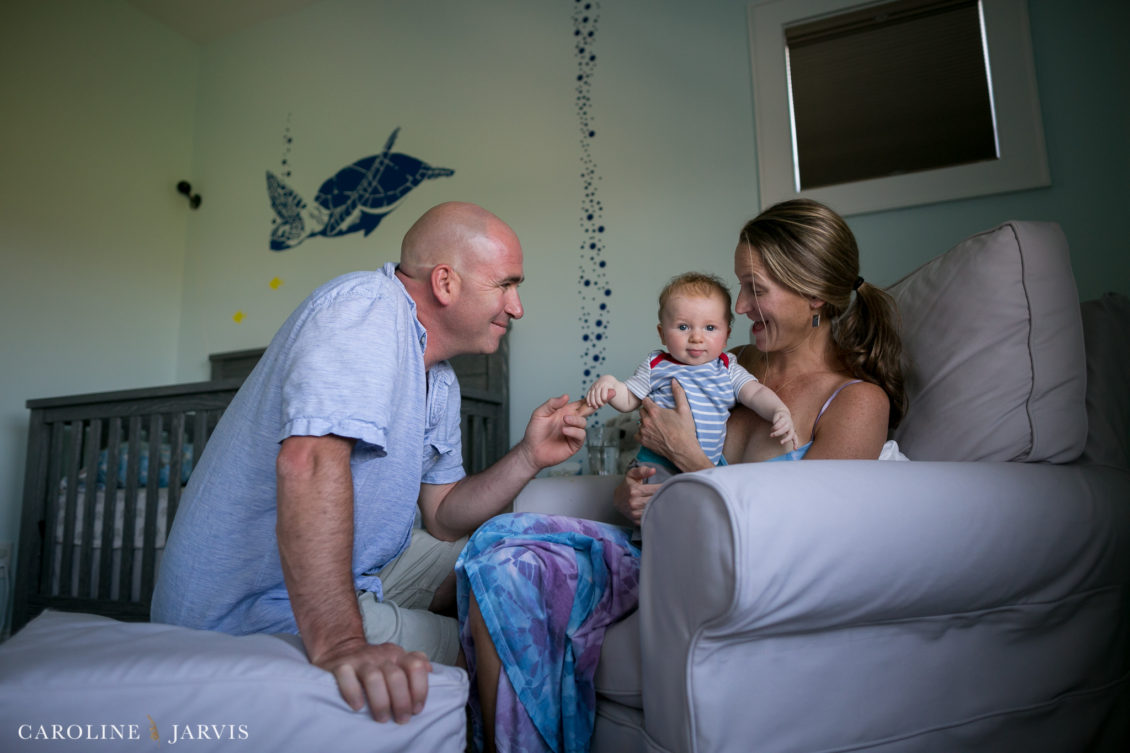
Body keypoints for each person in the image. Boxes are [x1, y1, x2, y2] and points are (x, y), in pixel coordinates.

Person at [457, 198, 906, 752]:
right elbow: (653, 459)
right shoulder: (725, 363)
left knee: (505, 560)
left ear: (815, 294)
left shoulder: (857, 402)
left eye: (755, 288)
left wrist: (691, 459)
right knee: (500, 555)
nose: (738, 307)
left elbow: (803, 543)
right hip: (655, 550)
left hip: (732, 582)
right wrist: (633, 491)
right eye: (739, 287)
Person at [152, 201, 591, 726]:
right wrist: (342, 643)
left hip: (368, 571)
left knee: (513, 556)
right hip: (255, 607)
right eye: (505, 285)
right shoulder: (366, 310)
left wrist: (527, 457)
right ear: (445, 283)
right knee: (504, 636)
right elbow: (308, 462)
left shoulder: (441, 378)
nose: (517, 307)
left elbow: (444, 516)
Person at [585, 271, 798, 487]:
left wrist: (778, 411)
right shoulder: (656, 365)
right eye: (683, 327)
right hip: (655, 465)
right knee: (654, 510)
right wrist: (610, 384)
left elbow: (756, 393)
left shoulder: (727, 368)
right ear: (662, 334)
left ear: (726, 335)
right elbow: (628, 399)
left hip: (706, 465)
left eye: (710, 328)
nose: (696, 337)